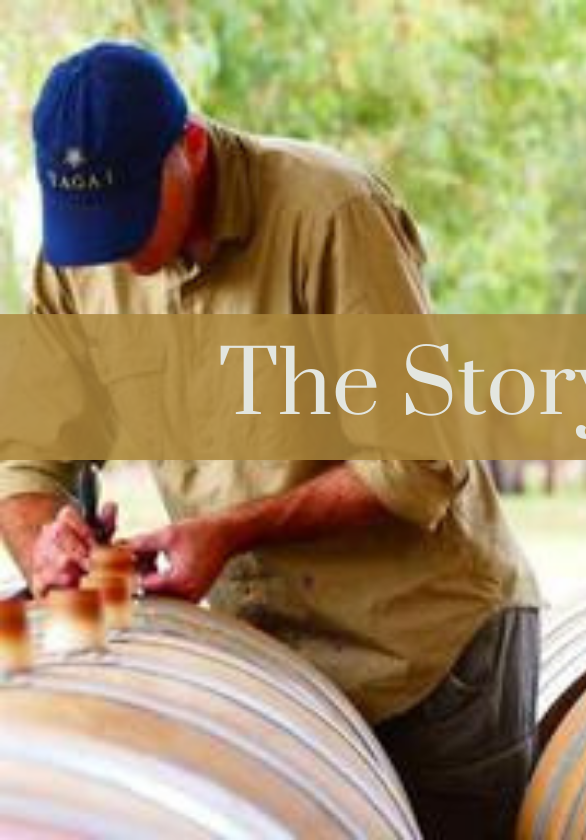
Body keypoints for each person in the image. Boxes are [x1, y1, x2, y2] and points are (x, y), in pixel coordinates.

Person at [0, 41, 541, 839]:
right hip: (270, 679)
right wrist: (44, 541)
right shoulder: (76, 261)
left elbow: (419, 463)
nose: (115, 254)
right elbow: (29, 455)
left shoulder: (332, 214)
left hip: (427, 663)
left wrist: (230, 530)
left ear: (188, 148)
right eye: (92, 230)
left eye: (131, 220)